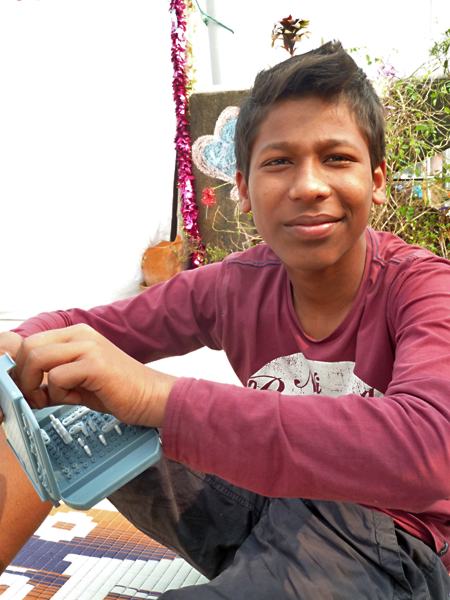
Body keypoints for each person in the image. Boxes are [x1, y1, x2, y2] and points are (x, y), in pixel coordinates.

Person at [1, 40, 450, 598]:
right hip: (264, 500)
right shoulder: (235, 285)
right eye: (279, 162)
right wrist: (18, 346)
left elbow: (432, 448)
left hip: (388, 536)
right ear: (243, 188)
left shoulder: (425, 289)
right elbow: (83, 329)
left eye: (336, 158)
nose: (309, 186)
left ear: (377, 181)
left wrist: (159, 397)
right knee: (62, 387)